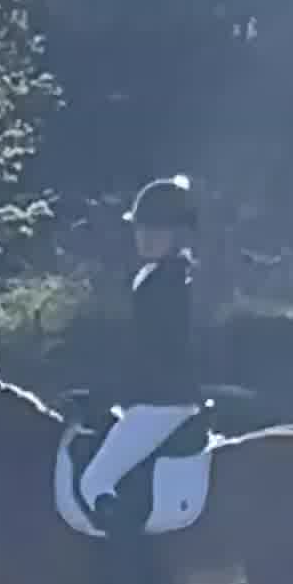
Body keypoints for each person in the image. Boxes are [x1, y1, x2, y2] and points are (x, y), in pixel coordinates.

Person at [77, 175, 205, 549]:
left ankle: (132, 570)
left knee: (94, 482)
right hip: (158, 397)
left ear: (178, 235)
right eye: (142, 229)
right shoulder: (155, 276)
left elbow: (156, 350)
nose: (145, 237)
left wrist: (113, 390)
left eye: (158, 231)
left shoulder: (169, 281)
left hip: (160, 402)